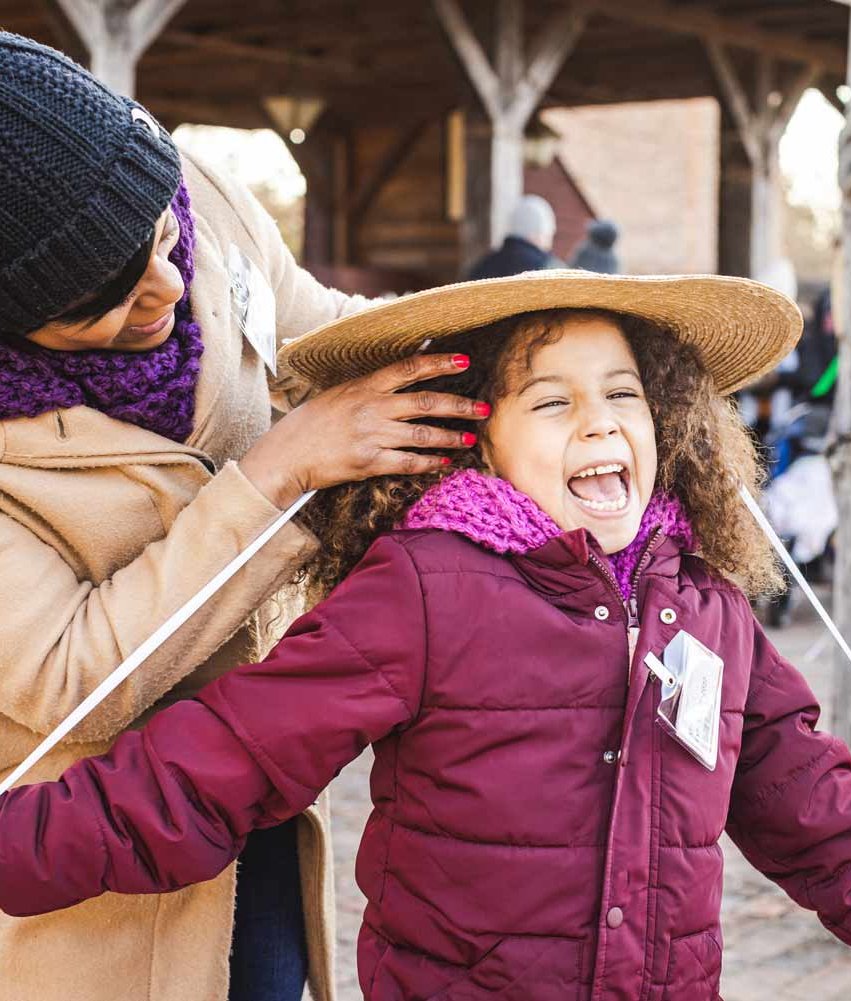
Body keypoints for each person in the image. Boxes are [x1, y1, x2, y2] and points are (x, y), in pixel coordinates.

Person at [2, 271, 851, 1001]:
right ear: (479, 438)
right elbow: (218, 764)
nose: (598, 422)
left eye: (622, 394)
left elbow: (830, 828)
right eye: (552, 400)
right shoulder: (427, 587)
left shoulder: (707, 604)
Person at [0, 32, 487, 1001]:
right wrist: (279, 472)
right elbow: (67, 674)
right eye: (106, 298)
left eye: (162, 239)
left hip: (259, 781)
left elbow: (321, 330)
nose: (170, 288)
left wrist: (512, 348)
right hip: (95, 865)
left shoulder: (198, 196)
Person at [466, 193, 559, 279]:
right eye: (548, 235)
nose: (549, 243)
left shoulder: (486, 265)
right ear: (537, 233)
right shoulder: (546, 268)